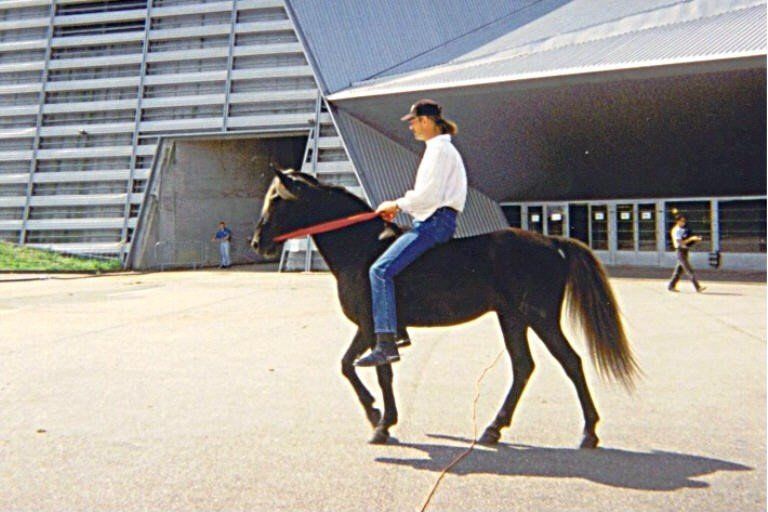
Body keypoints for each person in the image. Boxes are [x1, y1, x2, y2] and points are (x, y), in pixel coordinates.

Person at [355, 99, 467, 367]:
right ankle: (399, 330)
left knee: (379, 270)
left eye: (414, 122)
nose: (411, 127)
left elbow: (428, 196)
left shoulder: (438, 151)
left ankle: (386, 345)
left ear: (426, 121)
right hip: (434, 219)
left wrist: (396, 204)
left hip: (434, 223)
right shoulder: (440, 149)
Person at [668, 213, 705, 292]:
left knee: (679, 270)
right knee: (688, 269)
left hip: (685, 250)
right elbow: (680, 242)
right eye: (682, 221)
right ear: (677, 221)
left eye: (684, 221)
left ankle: (671, 286)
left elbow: (686, 238)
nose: (683, 222)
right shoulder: (676, 230)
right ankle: (697, 287)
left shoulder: (683, 229)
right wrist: (691, 239)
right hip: (680, 251)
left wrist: (694, 239)